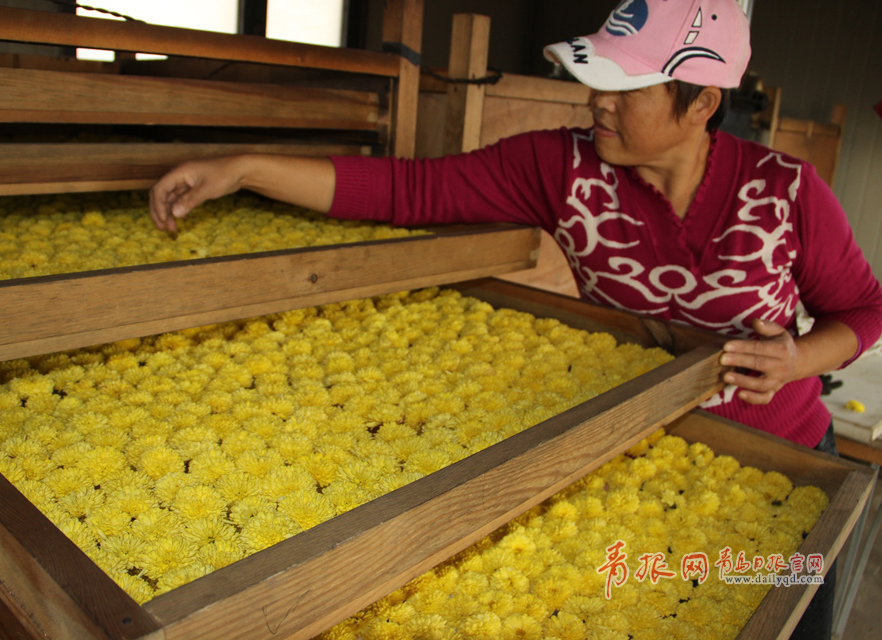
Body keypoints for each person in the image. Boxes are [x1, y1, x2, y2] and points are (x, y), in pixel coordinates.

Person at [150, 1, 882, 637]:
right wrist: (246, 167)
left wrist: (800, 359)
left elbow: (863, 309)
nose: (597, 101)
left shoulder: (783, 191)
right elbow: (410, 192)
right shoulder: (564, 169)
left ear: (701, 103)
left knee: (777, 616)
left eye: (625, 88)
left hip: (779, 462)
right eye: (596, 80)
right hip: (639, 449)